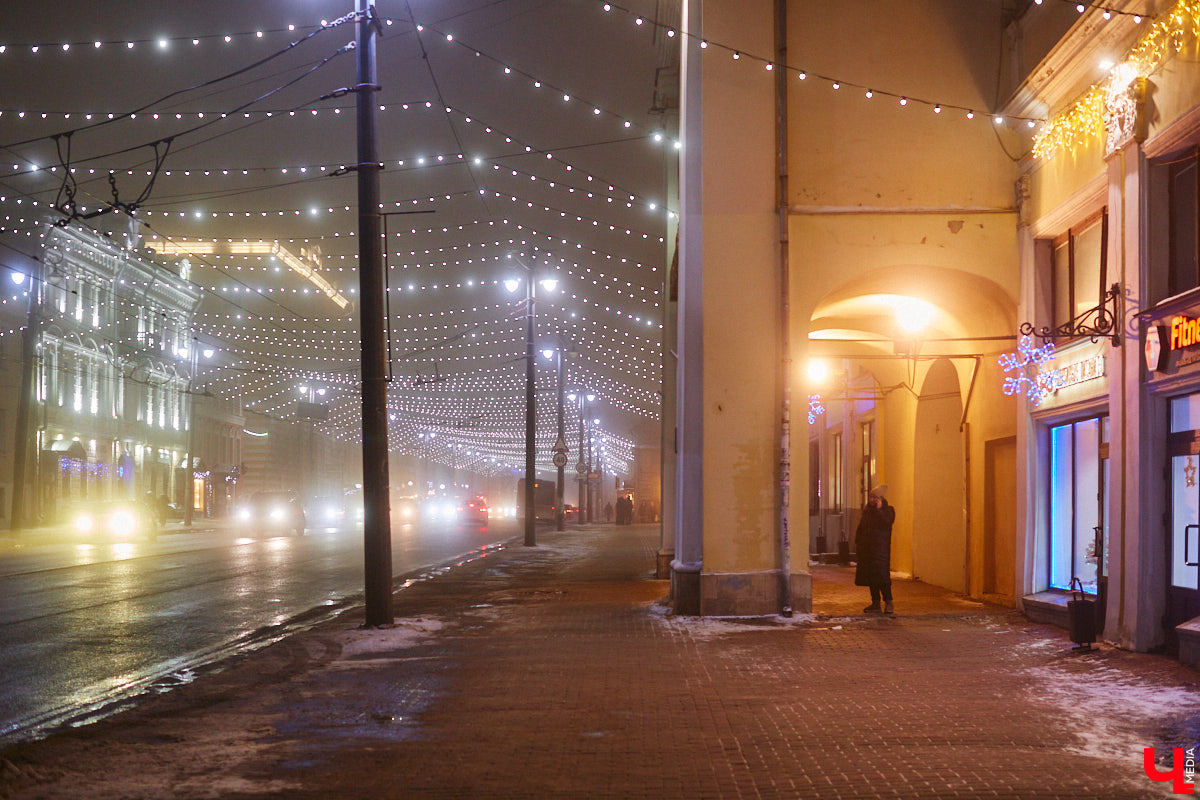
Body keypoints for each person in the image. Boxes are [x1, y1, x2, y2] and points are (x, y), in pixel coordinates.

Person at [854, 484, 896, 614]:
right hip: (868, 550)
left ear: (881, 499)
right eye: (871, 497)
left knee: (882, 577)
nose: (872, 500)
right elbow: (861, 528)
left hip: (881, 550)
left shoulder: (888, 511)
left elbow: (887, 523)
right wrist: (859, 543)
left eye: (875, 497)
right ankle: (875, 603)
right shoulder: (867, 512)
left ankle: (888, 602)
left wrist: (879, 510)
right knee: (871, 577)